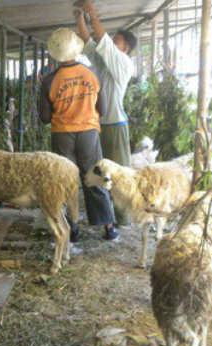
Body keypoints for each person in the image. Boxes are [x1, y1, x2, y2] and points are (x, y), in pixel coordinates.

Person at [38, 28, 119, 241]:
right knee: (95, 175)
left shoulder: (48, 81)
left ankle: (72, 227)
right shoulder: (92, 74)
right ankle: (109, 226)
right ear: (75, 49)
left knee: (65, 180)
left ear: (55, 54)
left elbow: (45, 118)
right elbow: (102, 106)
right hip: (89, 133)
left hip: (62, 135)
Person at [76, 0, 138, 224]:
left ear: (124, 49)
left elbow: (101, 40)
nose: (112, 41)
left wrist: (92, 12)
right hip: (100, 125)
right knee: (99, 172)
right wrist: (79, 18)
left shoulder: (124, 64)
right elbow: (90, 43)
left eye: (117, 40)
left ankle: (123, 218)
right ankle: (106, 218)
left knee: (120, 174)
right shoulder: (105, 62)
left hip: (116, 126)